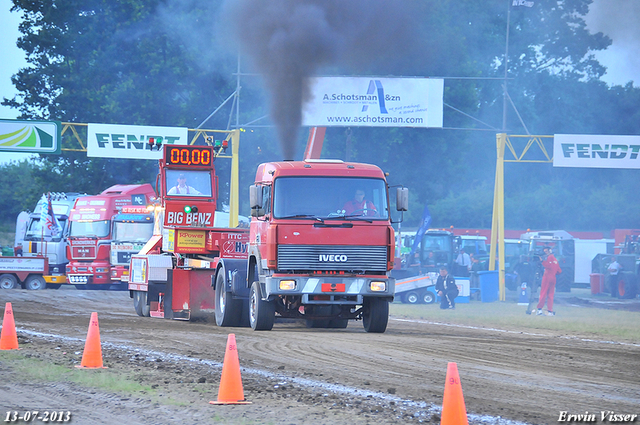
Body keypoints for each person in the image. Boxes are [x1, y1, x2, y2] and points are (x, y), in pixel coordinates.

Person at [536, 246, 562, 316]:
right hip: (553, 278)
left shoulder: (549, 258)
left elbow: (548, 265)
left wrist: (542, 261)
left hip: (547, 277)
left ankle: (539, 310)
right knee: (550, 295)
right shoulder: (555, 259)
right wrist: (553, 272)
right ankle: (550, 311)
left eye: (546, 251)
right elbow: (559, 271)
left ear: (549, 251)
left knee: (543, 293)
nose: (545, 253)